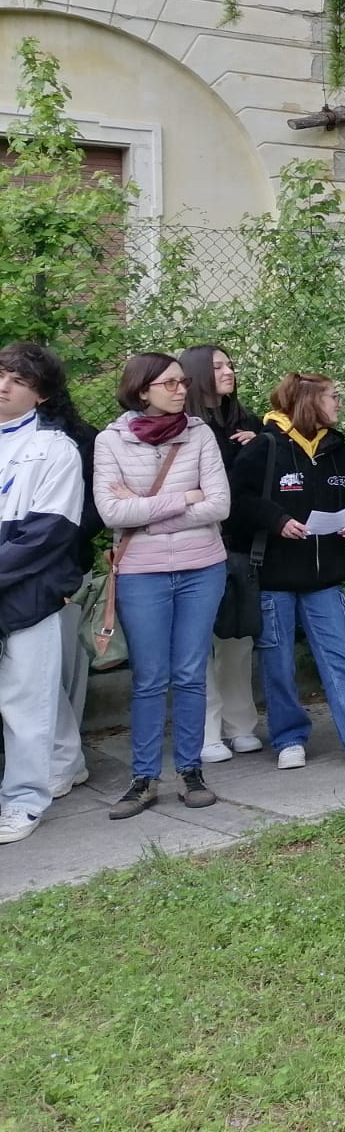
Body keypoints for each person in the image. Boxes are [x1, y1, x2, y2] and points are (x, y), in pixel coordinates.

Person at [232, 372, 345, 772]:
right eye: (332, 396)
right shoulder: (263, 447)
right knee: (278, 663)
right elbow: (236, 502)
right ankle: (289, 738)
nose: (339, 403)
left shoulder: (341, 452)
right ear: (309, 401)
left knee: (343, 656)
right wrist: (276, 520)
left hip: (326, 578)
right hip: (274, 578)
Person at [93, 352, 233, 816]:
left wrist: (150, 511)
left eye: (181, 382)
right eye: (170, 383)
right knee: (150, 678)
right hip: (141, 573)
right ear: (141, 390)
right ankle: (144, 778)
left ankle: (190, 773)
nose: (181, 390)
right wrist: (184, 499)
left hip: (202, 567)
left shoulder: (200, 434)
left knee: (190, 673)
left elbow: (218, 506)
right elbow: (112, 513)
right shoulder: (109, 441)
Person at [0, 343, 90, 845]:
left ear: (41, 395)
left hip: (28, 595)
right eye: (0, 374)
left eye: (18, 380)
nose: (4, 386)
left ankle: (23, 800)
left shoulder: (55, 448)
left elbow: (47, 534)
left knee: (25, 701)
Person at [178, 344, 265, 764]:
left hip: (242, 544)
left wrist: (261, 444)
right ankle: (206, 731)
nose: (229, 371)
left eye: (230, 364)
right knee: (199, 643)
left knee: (238, 637)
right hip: (197, 541)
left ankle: (242, 725)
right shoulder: (184, 427)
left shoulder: (248, 422)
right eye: (218, 366)